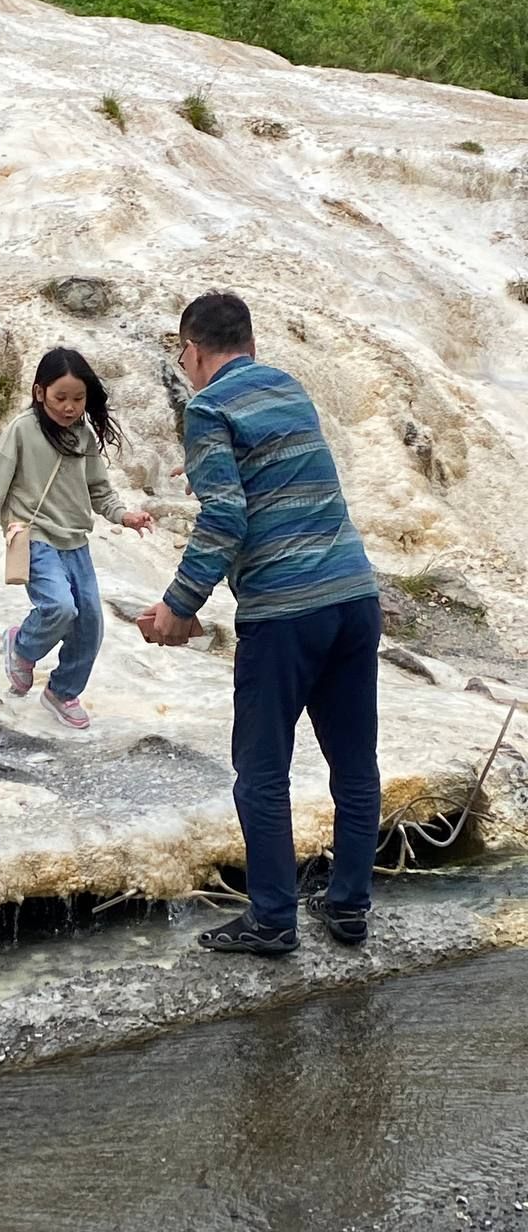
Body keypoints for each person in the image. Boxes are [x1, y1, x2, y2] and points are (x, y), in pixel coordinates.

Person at [144, 292, 381, 955]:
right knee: (355, 767)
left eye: (184, 358)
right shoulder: (287, 386)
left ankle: (273, 919)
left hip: (285, 613)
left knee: (262, 772)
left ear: (192, 350)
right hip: (353, 595)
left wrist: (178, 606)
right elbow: (277, 476)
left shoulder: (208, 408)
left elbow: (226, 518)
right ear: (251, 344)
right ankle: (349, 907)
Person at [0, 347, 153, 730]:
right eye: (60, 397)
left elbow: (99, 490)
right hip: (34, 537)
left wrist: (124, 515)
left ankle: (61, 692)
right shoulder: (22, 430)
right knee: (60, 607)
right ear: (39, 392)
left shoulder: (83, 436)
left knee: (90, 625)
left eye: (78, 399)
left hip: (75, 541)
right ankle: (22, 645)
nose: (70, 407)